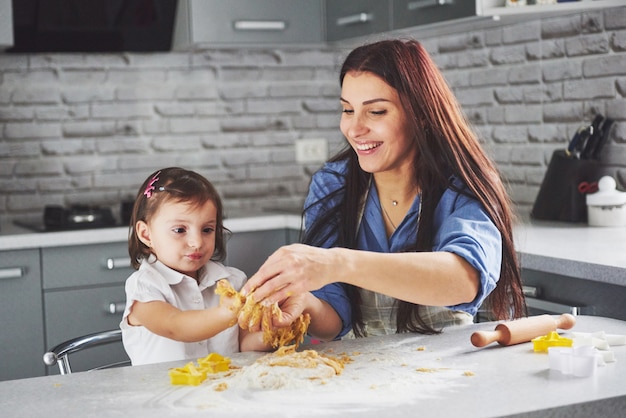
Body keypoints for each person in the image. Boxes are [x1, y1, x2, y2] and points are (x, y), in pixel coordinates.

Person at [240, 39, 527, 341]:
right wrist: (304, 306)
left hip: (445, 368)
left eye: (376, 112)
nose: (354, 128)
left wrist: (338, 263)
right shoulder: (333, 185)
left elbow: (463, 279)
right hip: (360, 372)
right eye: (347, 110)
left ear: (422, 114)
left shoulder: (463, 183)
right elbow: (335, 316)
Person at [120, 167, 269, 365]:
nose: (197, 242)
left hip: (223, 390)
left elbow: (246, 345)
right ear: (146, 234)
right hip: (162, 393)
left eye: (207, 229)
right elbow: (176, 326)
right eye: (180, 230)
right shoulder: (144, 286)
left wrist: (271, 332)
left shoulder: (233, 281)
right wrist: (226, 314)